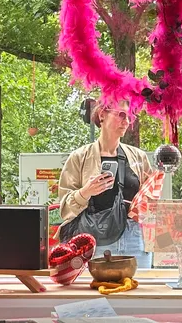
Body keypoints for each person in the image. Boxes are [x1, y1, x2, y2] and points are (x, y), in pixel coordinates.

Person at [57, 101, 156, 268]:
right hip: (96, 238)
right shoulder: (79, 157)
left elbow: (151, 200)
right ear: (102, 114)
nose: (127, 121)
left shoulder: (138, 157)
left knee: (139, 291)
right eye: (121, 115)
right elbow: (65, 208)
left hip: (135, 238)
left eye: (130, 116)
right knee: (97, 291)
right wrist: (85, 193)